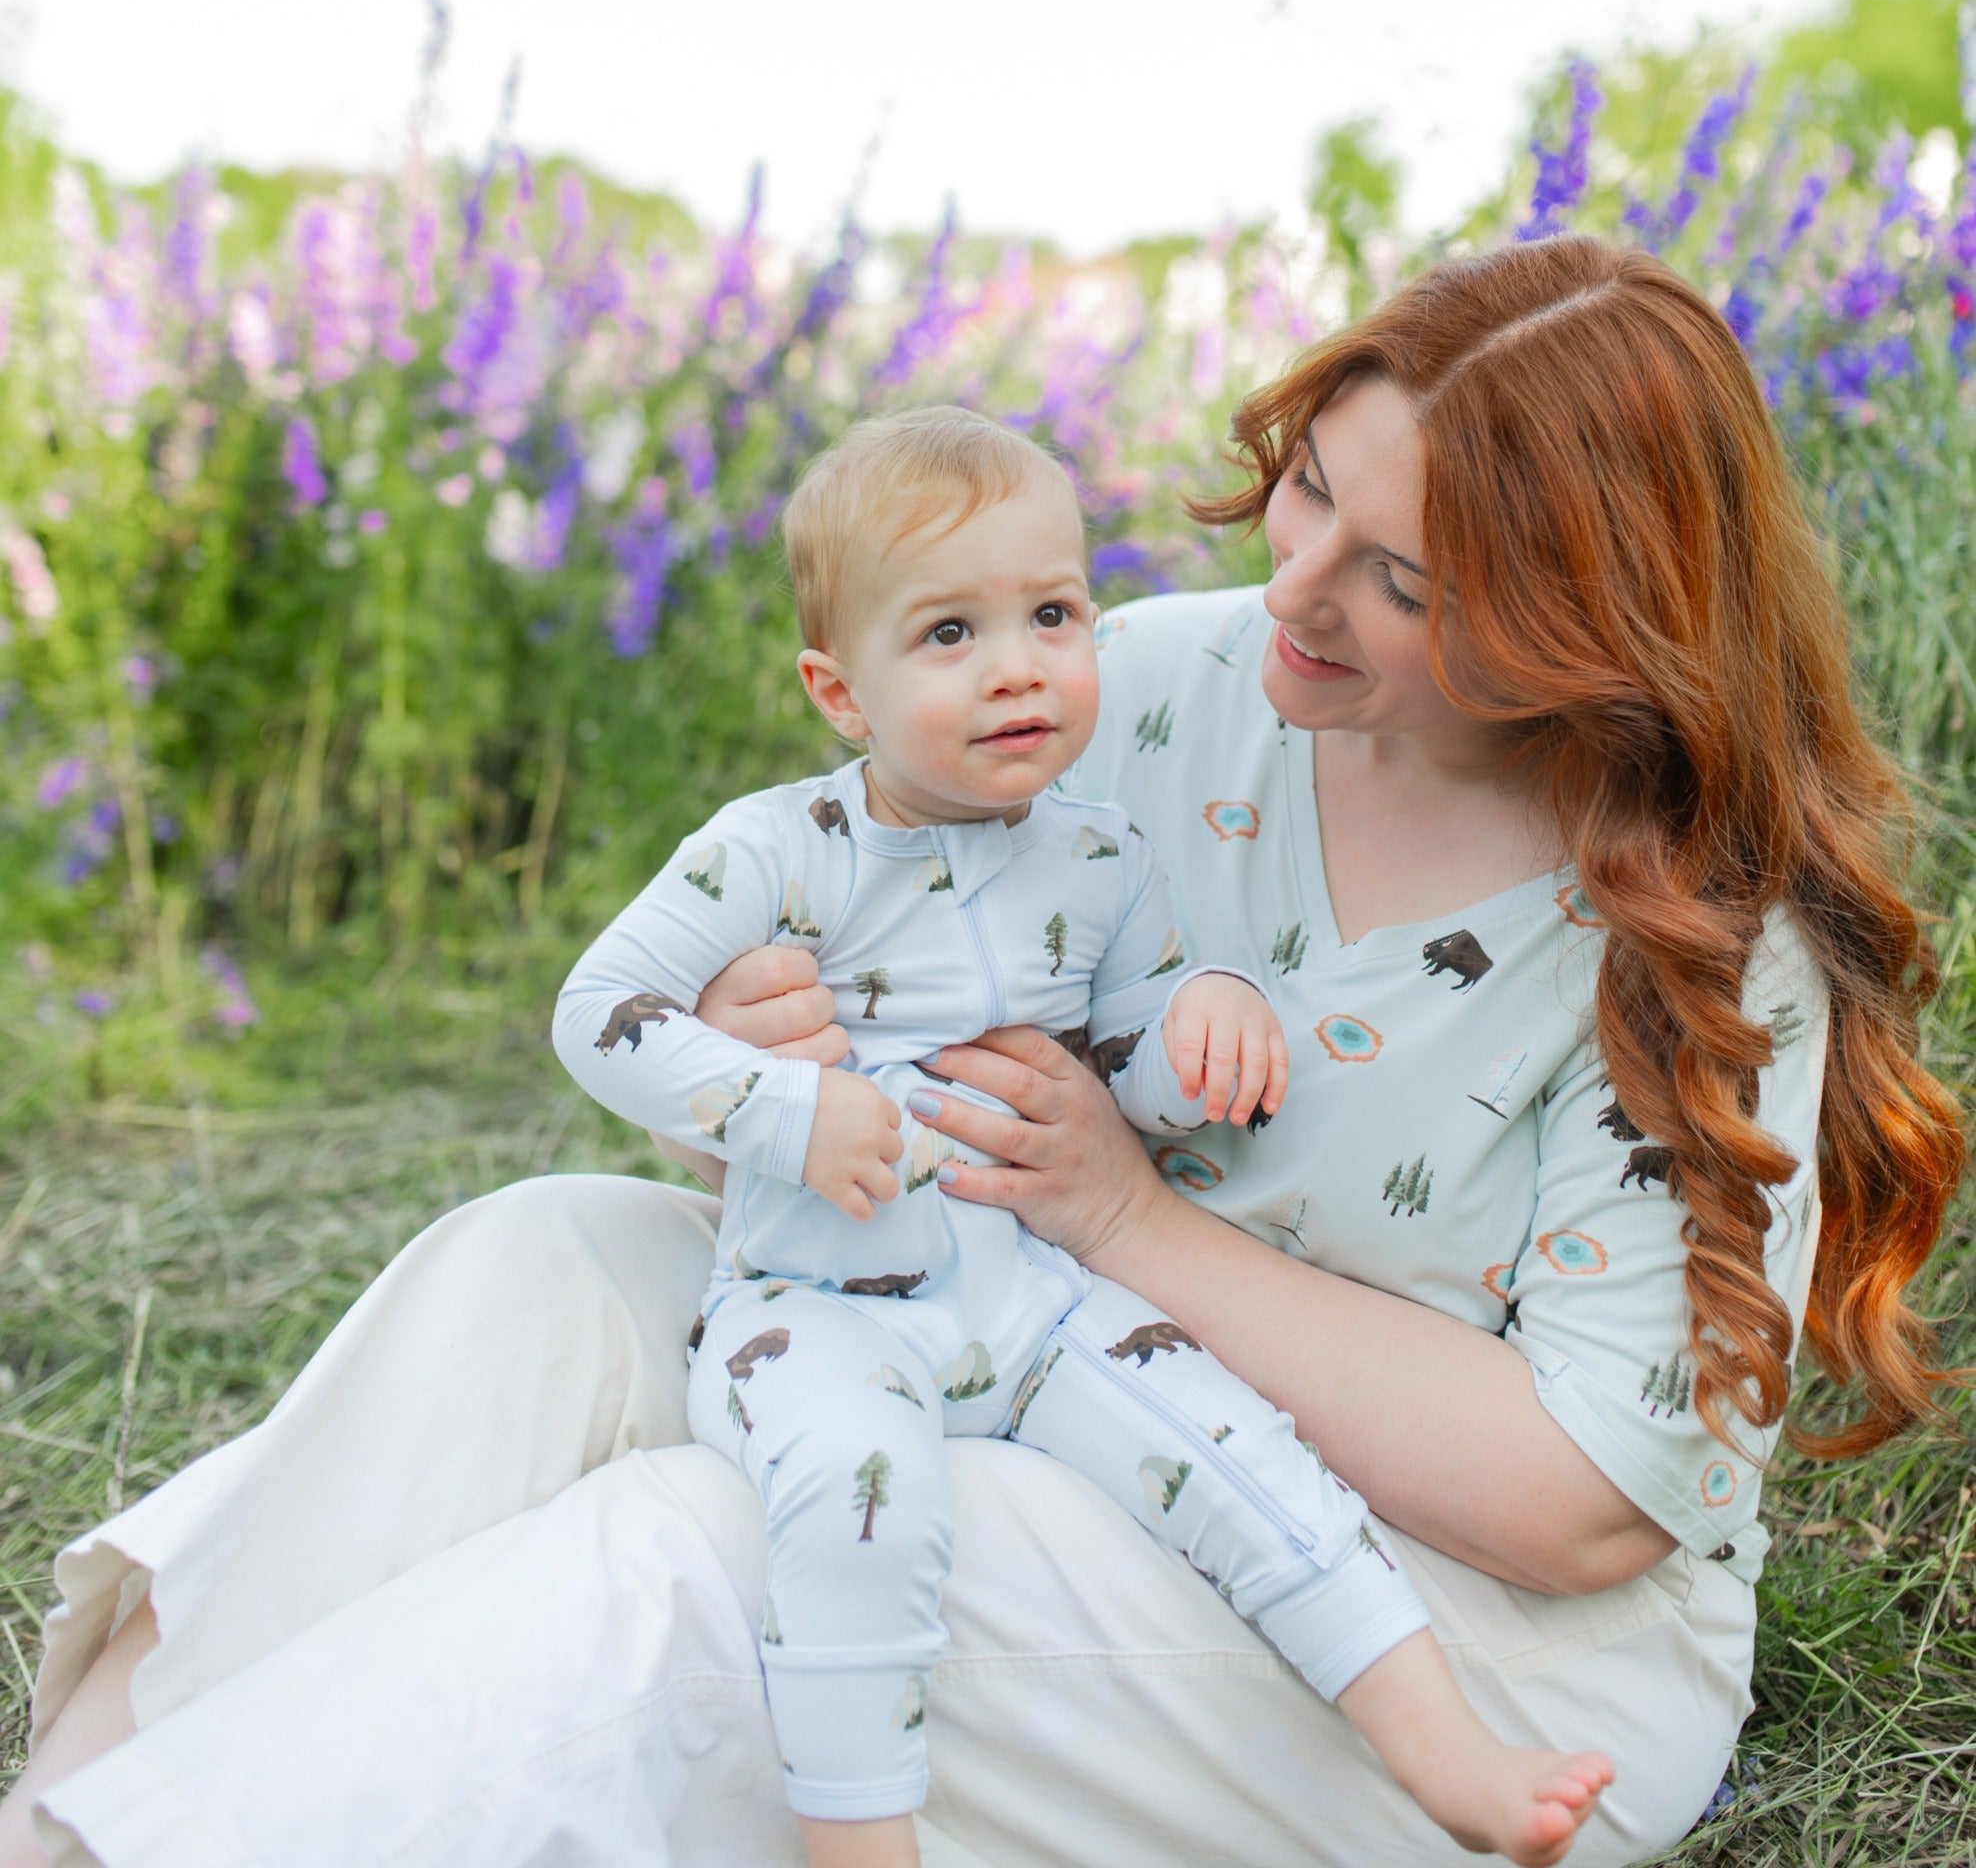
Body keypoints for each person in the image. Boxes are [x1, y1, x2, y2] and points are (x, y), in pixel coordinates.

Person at [3, 235, 1961, 1868]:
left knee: (723, 1551)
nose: (1296, 591)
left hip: (1460, 1634)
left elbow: (1581, 1497)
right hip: (1019, 1355)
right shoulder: (1165, 682)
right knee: (534, 1268)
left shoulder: (1696, 937)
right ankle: (82, 1800)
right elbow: (893, 988)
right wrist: (785, 1054)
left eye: (1408, 583)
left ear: (1588, 624)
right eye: (1308, 494)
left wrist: (1121, 1212)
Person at [550, 405, 1614, 1868]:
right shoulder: (772, 848)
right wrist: (785, 1104)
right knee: (858, 1520)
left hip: (1041, 1308)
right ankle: (859, 1843)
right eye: (947, 635)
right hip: (823, 1307)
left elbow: (1127, 1054)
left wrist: (1206, 1028)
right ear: (837, 689)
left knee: (1248, 1454)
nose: (1018, 669)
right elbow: (601, 1009)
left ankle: (1447, 1755)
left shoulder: (1102, 855)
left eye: (1052, 613)